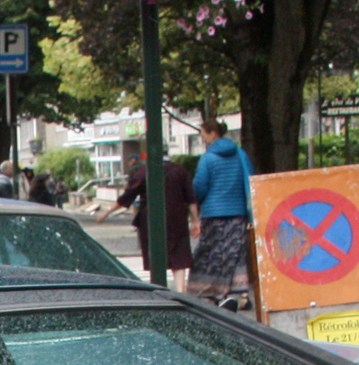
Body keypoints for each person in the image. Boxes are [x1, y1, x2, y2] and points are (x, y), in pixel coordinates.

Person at [188, 119, 256, 308]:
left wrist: (196, 207)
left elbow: (199, 187)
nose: (202, 138)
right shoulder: (240, 154)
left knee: (211, 253)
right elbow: (250, 179)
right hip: (237, 212)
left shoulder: (208, 158)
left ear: (212, 134)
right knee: (235, 253)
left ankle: (209, 292)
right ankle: (239, 293)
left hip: (212, 213)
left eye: (203, 134)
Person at [103, 156, 197, 291]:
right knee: (178, 255)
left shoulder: (144, 172)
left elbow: (127, 196)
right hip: (177, 218)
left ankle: (159, 290)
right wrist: (195, 221)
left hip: (151, 219)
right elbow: (191, 198)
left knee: (155, 254)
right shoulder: (180, 171)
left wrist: (107, 211)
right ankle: (180, 292)